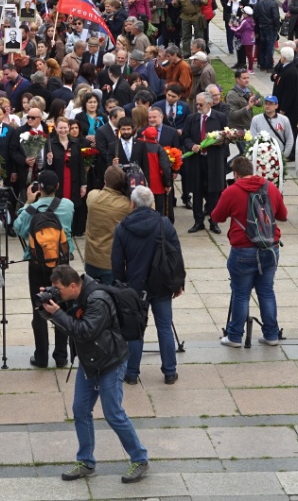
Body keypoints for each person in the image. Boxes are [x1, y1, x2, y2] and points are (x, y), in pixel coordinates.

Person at [39, 265, 150, 484]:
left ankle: (140, 459)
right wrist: (47, 307)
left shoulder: (98, 300)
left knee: (113, 413)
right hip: (90, 362)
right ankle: (86, 462)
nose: (57, 292)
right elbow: (70, 324)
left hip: (110, 361)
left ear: (73, 285)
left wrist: (57, 313)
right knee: (80, 410)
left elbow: (84, 331)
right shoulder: (75, 296)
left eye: (58, 289)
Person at [211, 156, 287, 347]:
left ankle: (235, 336)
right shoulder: (270, 188)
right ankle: (271, 335)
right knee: (266, 292)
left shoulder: (232, 191)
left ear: (236, 174)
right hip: (269, 248)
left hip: (243, 250)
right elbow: (283, 215)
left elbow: (217, 217)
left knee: (241, 294)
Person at [113, 186, 184, 384]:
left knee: (135, 329)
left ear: (132, 204)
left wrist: (120, 285)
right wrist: (178, 282)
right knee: (164, 327)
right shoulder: (164, 223)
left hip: (135, 287)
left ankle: (131, 373)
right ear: (152, 203)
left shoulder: (122, 227)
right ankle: (169, 371)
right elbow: (176, 255)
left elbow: (117, 262)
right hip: (161, 283)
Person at [14, 169, 74, 368]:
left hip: (37, 264)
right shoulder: (68, 206)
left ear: (38, 187)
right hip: (62, 263)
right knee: (62, 307)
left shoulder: (31, 210)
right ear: (57, 186)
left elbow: (18, 228)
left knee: (39, 309)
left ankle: (41, 357)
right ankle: (61, 356)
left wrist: (28, 203)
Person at [183, 92, 227, 233]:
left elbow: (227, 137)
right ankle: (198, 221)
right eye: (196, 104)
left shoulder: (220, 117)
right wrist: (191, 146)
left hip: (213, 161)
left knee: (214, 192)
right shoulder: (192, 119)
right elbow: (185, 137)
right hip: (197, 160)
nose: (197, 107)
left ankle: (214, 222)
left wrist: (219, 142)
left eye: (200, 104)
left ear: (209, 104)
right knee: (197, 191)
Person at [84, 166, 132, 284]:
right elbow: (148, 211)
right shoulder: (126, 205)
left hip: (91, 258)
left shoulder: (92, 196)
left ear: (105, 181)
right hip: (111, 262)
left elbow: (97, 192)